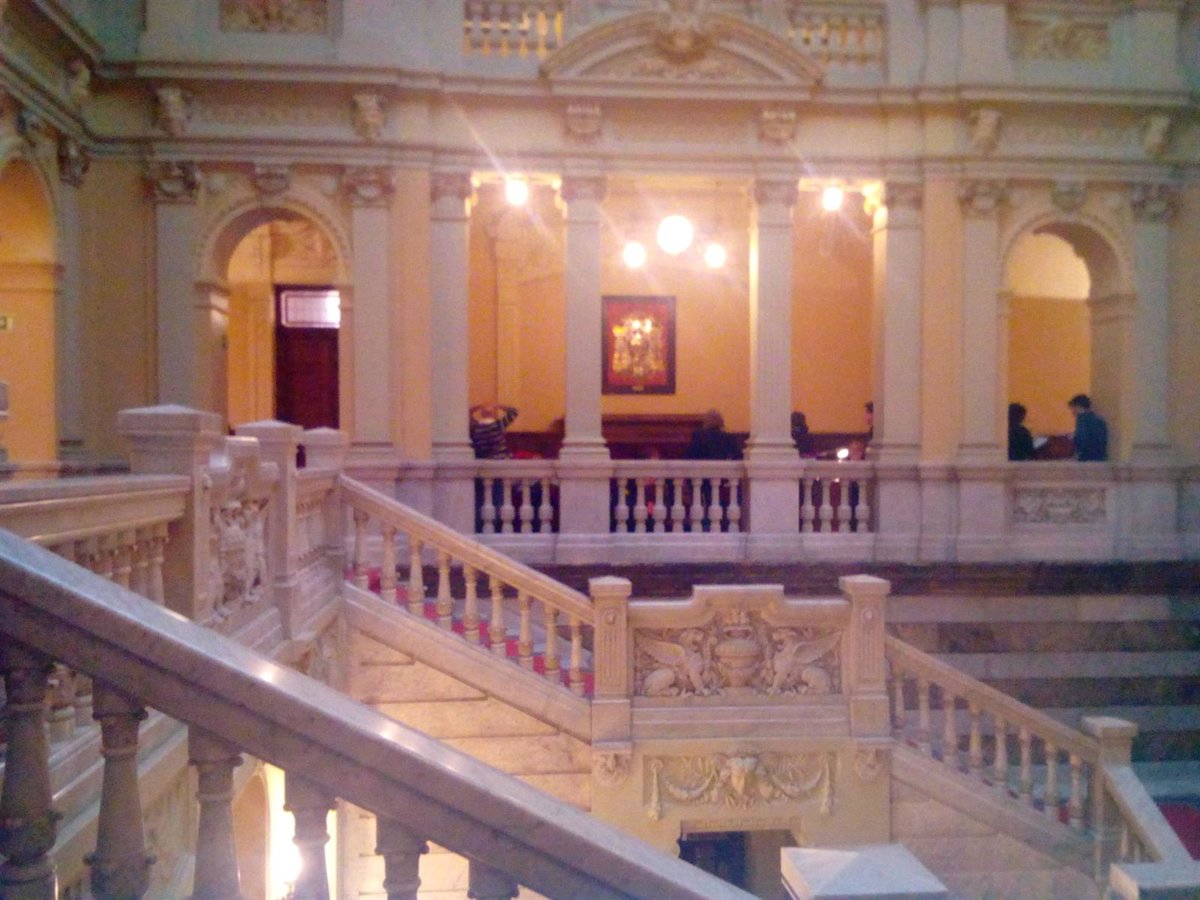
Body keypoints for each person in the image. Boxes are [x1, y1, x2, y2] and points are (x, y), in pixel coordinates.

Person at [1068, 394, 1108, 461]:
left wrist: (1074, 437)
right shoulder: (1099, 420)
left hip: (1087, 458)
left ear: (1078, 406)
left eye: (1073, 408)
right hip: (1100, 458)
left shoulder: (1082, 420)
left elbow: (1082, 440)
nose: (1072, 412)